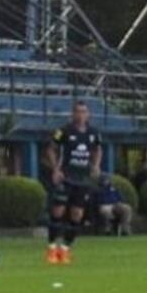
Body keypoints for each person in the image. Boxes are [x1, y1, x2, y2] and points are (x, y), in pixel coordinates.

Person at [45, 100, 102, 264]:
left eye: (84, 111)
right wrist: (56, 168)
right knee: (58, 212)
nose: (81, 115)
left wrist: (96, 166)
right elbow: (50, 148)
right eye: (78, 111)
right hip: (66, 176)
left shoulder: (93, 133)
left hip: (83, 179)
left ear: (88, 114)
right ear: (73, 114)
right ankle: (51, 248)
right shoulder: (63, 131)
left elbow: (98, 149)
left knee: (77, 215)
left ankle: (65, 249)